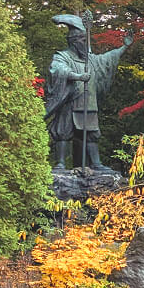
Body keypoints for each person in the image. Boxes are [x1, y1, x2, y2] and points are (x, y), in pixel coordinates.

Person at [45, 14, 131, 172]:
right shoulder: (62, 56)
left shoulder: (90, 60)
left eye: (86, 41)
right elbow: (58, 70)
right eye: (83, 41)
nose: (85, 45)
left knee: (91, 134)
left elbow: (107, 60)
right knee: (63, 133)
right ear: (74, 41)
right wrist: (77, 76)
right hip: (70, 101)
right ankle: (61, 164)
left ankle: (96, 163)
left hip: (88, 102)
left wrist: (123, 47)